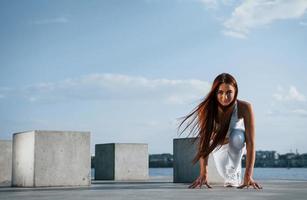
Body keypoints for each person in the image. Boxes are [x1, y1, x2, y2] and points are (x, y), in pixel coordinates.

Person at [178, 73, 262, 190]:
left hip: (237, 143)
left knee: (236, 135)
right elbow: (204, 141)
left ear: (235, 91)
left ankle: (234, 171)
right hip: (219, 147)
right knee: (224, 172)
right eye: (220, 92)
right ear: (215, 92)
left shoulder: (245, 107)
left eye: (229, 92)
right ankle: (233, 170)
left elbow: (251, 143)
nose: (224, 97)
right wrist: (203, 173)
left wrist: (248, 175)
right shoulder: (206, 109)